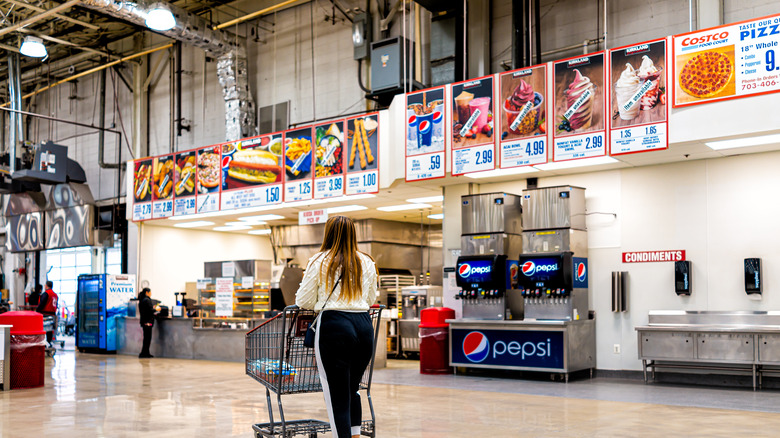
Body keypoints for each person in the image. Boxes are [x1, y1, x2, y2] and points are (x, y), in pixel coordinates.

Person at [295, 216, 378, 438]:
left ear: (328, 233)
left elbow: (303, 301)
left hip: (334, 325)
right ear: (353, 233)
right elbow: (370, 299)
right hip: (364, 325)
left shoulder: (319, 260)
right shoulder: (367, 261)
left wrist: (324, 303)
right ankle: (355, 435)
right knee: (353, 389)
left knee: (337, 394)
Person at [138, 287, 159, 358]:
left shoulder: (142, 300)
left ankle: (145, 352)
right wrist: (156, 309)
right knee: (147, 338)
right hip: (148, 322)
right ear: (147, 292)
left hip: (144, 321)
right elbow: (150, 310)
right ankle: (144, 353)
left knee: (146, 338)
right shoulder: (147, 300)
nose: (151, 294)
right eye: (150, 292)